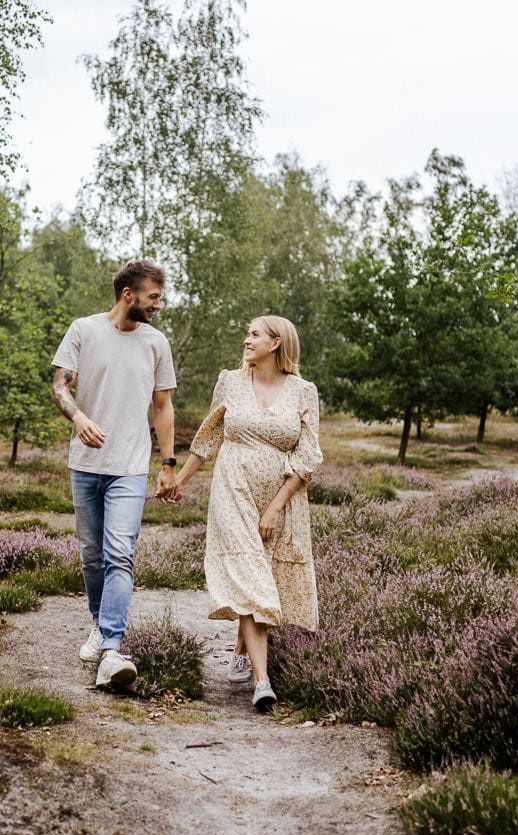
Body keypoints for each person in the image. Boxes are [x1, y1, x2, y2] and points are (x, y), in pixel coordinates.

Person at [170, 315, 321, 711]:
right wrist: (180, 480)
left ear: (276, 343)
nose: (246, 339)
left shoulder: (304, 391)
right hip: (231, 488)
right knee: (252, 573)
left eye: (254, 334)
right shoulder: (230, 382)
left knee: (266, 574)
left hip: (280, 497)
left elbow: (307, 456)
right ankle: (262, 682)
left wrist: (275, 507)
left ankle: (242, 646)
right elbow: (210, 437)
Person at [50, 260, 178, 690]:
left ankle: (112, 649)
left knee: (119, 553)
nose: (158, 305)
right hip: (85, 466)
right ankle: (98, 622)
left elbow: (162, 406)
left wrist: (168, 463)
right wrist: (78, 416)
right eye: (154, 297)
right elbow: (59, 387)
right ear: (129, 295)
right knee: (91, 556)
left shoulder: (156, 343)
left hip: (130, 467)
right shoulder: (83, 330)